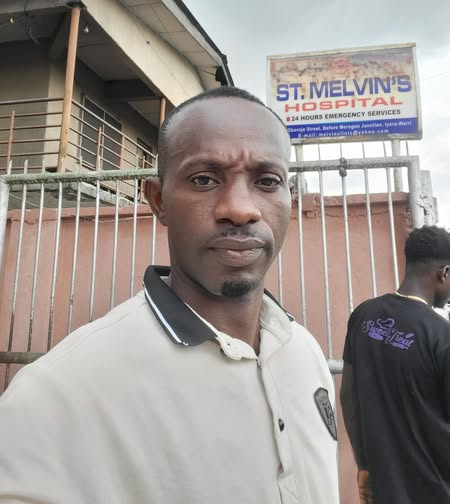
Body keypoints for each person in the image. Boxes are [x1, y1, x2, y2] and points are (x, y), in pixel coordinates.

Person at [0, 86, 339, 504]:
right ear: (158, 201)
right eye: (204, 179)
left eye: (267, 181)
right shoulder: (59, 394)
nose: (240, 209)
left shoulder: (303, 353)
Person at [340, 225, 450, 504]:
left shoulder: (363, 316)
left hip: (384, 489)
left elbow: (348, 396)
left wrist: (364, 465)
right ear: (444, 273)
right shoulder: (442, 335)